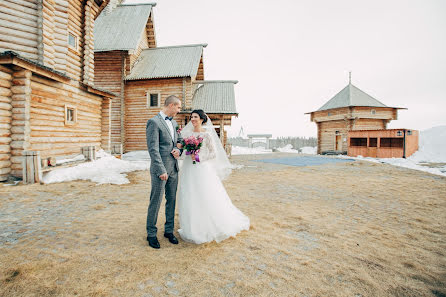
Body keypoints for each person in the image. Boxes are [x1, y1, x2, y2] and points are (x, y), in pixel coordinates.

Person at [177, 109, 250, 244]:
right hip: (189, 168)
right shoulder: (187, 134)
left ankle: (207, 225)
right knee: (190, 194)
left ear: (202, 120)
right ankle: (192, 226)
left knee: (204, 195)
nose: (193, 119)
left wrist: (199, 157)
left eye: (196, 117)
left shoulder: (207, 135)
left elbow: (213, 154)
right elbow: (184, 152)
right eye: (191, 117)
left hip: (202, 168)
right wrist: (183, 153)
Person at [145, 95, 183, 249]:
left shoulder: (174, 123)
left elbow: (179, 141)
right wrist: (161, 170)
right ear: (172, 105)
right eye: (178, 107)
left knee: (172, 200)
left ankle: (169, 231)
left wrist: (178, 150)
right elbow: (153, 149)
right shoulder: (153, 122)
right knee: (156, 201)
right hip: (160, 170)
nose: (179, 111)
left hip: (174, 168)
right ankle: (151, 234)